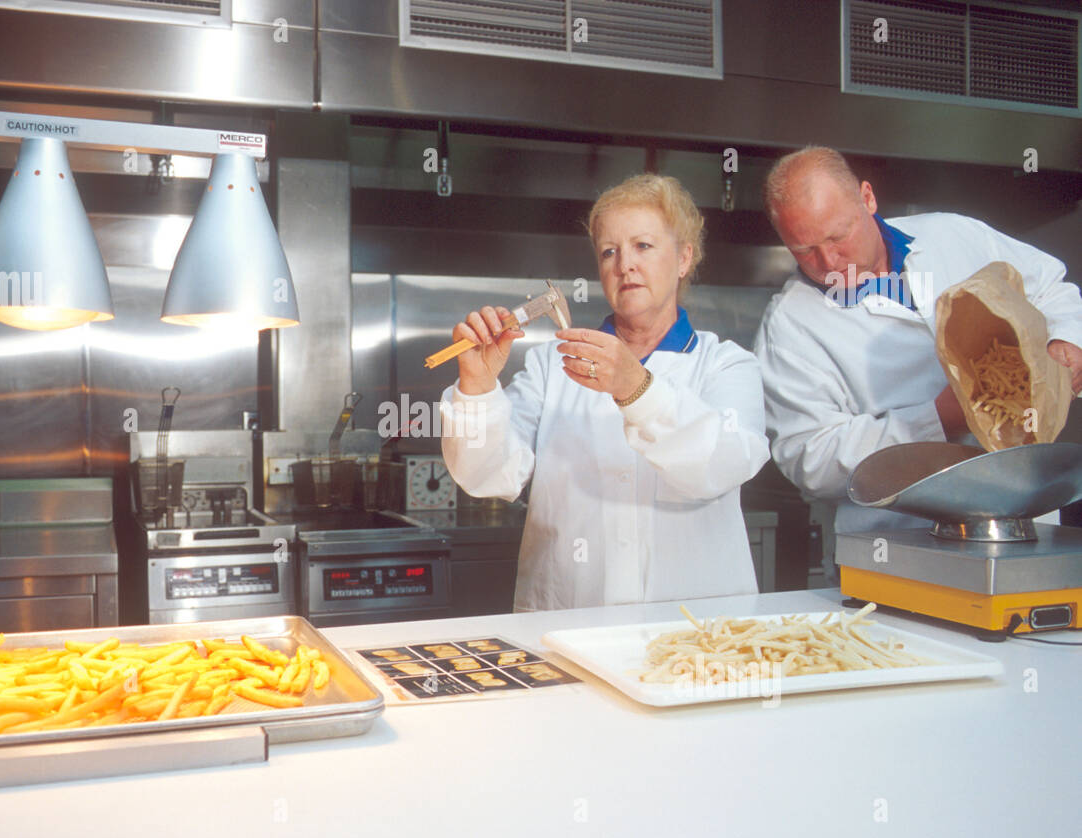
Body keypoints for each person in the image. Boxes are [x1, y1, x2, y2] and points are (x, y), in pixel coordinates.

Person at [439, 174, 770, 612]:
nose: (624, 265)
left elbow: (724, 464)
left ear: (685, 257)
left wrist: (638, 390)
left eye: (643, 246)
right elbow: (488, 477)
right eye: (609, 251)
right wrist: (478, 389)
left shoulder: (727, 365)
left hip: (693, 640)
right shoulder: (550, 365)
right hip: (568, 627)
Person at [754, 146, 1082, 541]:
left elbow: (1049, 287)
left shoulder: (951, 234)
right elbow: (811, 459)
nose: (829, 262)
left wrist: (1068, 340)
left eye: (838, 236)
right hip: (900, 541)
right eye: (804, 250)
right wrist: (938, 419)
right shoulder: (789, 326)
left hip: (1028, 517)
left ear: (867, 198)